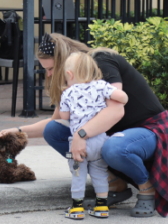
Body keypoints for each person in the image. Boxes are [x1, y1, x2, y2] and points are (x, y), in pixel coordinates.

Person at [0, 33, 168, 218]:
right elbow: (57, 121)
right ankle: (114, 184)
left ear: (66, 65)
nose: (48, 74)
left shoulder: (100, 63)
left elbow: (116, 111)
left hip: (147, 130)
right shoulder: (74, 86)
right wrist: (16, 132)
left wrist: (81, 135)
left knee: (114, 148)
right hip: (113, 132)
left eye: (50, 68)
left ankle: (147, 189)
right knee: (54, 131)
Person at [59, 51, 128, 219]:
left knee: (77, 174)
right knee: (99, 173)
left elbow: (64, 117)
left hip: (78, 146)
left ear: (69, 74)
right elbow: (123, 98)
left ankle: (76, 208)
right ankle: (101, 207)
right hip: (99, 141)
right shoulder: (101, 85)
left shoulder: (67, 93)